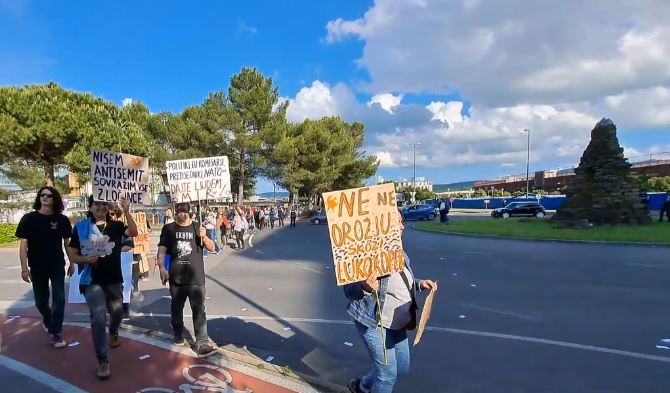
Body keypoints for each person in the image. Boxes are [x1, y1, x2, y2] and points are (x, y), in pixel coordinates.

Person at [344, 215, 438, 393]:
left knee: (401, 367)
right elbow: (349, 290)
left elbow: (402, 280)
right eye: (399, 222)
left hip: (397, 323)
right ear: (383, 224)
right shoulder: (365, 254)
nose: (403, 227)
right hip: (375, 323)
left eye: (402, 221)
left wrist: (419, 283)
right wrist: (364, 286)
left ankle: (362, 385)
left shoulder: (399, 252)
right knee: (387, 375)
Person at [67, 196, 138, 380]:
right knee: (98, 317)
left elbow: (134, 233)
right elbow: (73, 253)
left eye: (104, 204)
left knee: (117, 312)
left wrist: (127, 210)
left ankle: (113, 331)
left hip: (114, 279)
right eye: (96, 204)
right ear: (90, 208)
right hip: (91, 281)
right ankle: (102, 360)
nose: (100, 207)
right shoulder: (81, 227)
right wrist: (84, 260)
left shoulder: (115, 225)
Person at [157, 201, 219, 358]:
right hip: (176, 278)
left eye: (183, 211)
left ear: (189, 211)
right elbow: (162, 251)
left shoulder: (198, 227)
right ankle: (178, 335)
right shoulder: (168, 228)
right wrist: (162, 269)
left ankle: (202, 343)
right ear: (174, 211)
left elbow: (212, 248)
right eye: (178, 211)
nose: (180, 213)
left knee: (199, 311)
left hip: (196, 278)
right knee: (176, 309)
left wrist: (204, 237)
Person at [15, 186, 74, 348]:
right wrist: (24, 268)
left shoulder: (62, 220)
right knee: (41, 301)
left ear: (54, 199)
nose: (45, 197)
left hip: (56, 264)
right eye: (42, 195)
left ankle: (56, 332)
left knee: (59, 298)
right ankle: (48, 318)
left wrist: (72, 262)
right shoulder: (28, 219)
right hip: (37, 265)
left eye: (48, 195)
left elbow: (67, 243)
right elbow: (23, 245)